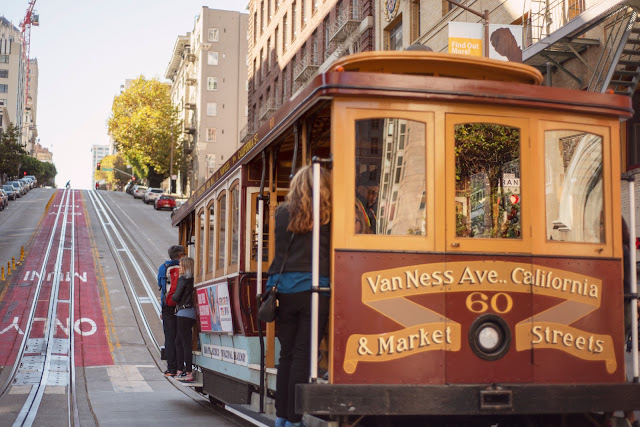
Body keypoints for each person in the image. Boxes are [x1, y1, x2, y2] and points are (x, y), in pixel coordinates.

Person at [267, 165, 331, 427]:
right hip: (314, 290)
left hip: (284, 290)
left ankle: (282, 416)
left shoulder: (281, 213)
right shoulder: (327, 213)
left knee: (287, 355)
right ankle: (294, 419)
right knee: (304, 355)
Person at [157, 244, 185, 376]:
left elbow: (161, 286)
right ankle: (182, 367)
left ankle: (171, 368)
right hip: (182, 305)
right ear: (180, 255)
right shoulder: (184, 267)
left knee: (169, 336)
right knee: (181, 337)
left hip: (168, 306)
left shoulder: (163, 268)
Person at [172, 256, 196, 382]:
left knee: (184, 344)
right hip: (192, 314)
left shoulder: (183, 279)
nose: (179, 268)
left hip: (183, 313)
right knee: (179, 341)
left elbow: (176, 297)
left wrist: (172, 297)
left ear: (186, 267)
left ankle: (187, 372)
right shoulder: (193, 279)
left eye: (181, 265)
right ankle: (180, 370)